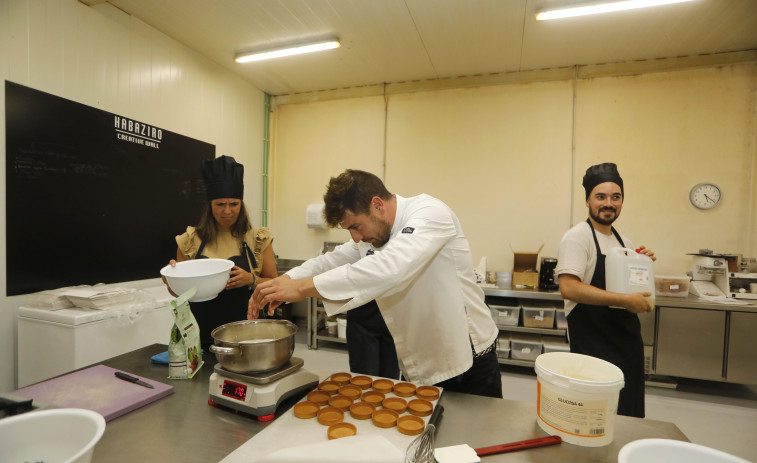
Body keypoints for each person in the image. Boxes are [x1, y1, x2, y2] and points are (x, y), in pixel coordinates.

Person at [249, 169, 502, 398]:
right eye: (349, 230)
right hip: (420, 360)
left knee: (475, 444)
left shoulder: (429, 213)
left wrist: (302, 288)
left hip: (469, 360)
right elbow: (331, 261)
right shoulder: (371, 237)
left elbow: (392, 267)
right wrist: (284, 281)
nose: (356, 237)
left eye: (356, 226)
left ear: (378, 205)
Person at [555, 162, 655, 418]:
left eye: (616, 197)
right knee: (597, 414)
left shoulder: (625, 242)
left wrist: (642, 264)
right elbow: (569, 288)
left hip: (627, 343)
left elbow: (630, 289)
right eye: (600, 197)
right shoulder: (578, 237)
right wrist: (625, 300)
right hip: (594, 346)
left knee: (627, 412)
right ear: (588, 201)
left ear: (622, 201)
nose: (608, 203)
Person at [165, 155, 278, 350]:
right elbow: (179, 294)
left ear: (241, 204)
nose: (227, 211)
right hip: (199, 336)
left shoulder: (257, 239)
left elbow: (275, 285)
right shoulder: (190, 241)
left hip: (247, 334)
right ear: (210, 205)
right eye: (220, 204)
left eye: (234, 204)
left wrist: (251, 280)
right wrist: (171, 278)